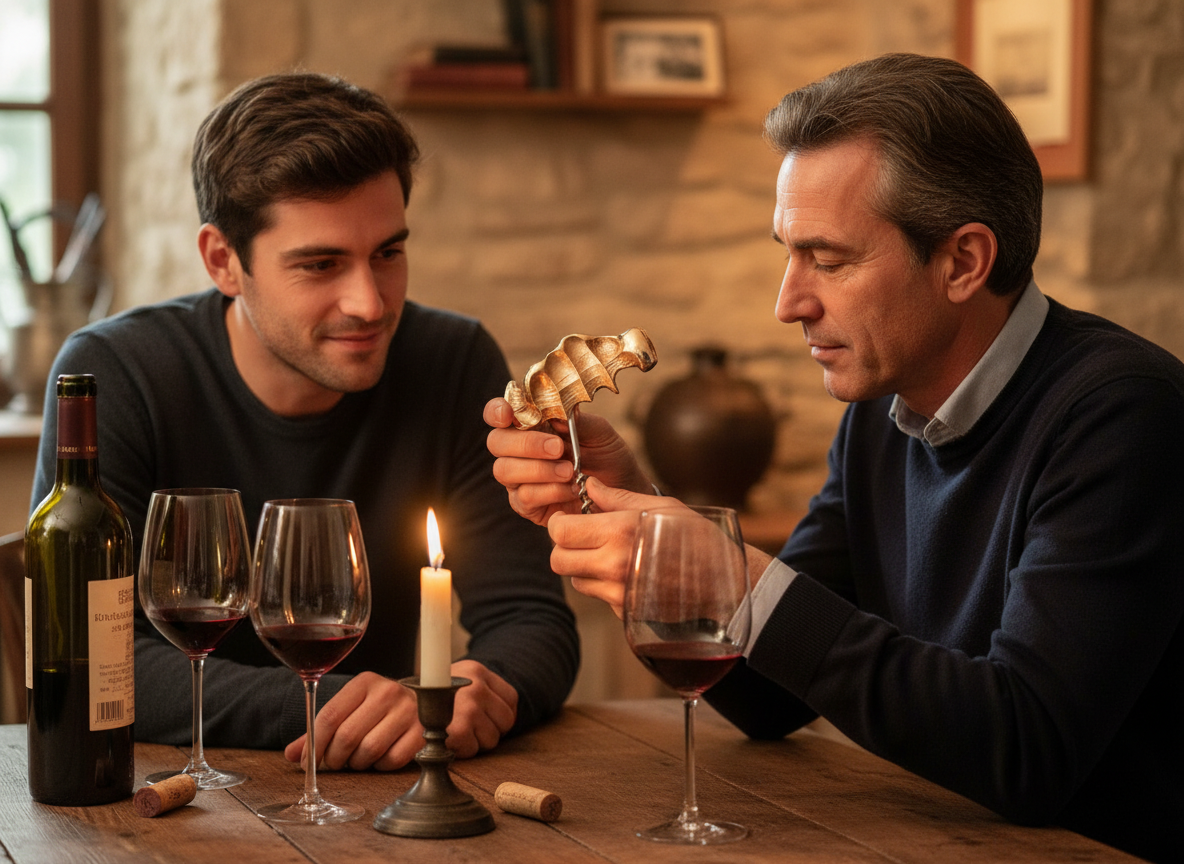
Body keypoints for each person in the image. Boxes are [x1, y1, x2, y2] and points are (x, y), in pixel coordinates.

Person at [484, 53, 1184, 863]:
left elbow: (1027, 748)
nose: (789, 303)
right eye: (788, 252)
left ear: (963, 261)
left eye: (829, 259)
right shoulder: (883, 411)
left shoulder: (1126, 415)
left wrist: (739, 582)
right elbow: (769, 697)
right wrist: (645, 519)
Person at [32, 71, 579, 772]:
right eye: (321, 265)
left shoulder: (453, 360)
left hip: (377, 793)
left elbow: (531, 620)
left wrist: (479, 691)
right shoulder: (117, 374)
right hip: (159, 798)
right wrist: (333, 706)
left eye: (388, 253)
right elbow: (93, 659)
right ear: (224, 262)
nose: (369, 304)